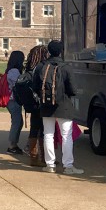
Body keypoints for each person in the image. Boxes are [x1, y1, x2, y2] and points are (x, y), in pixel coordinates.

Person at [34, 40, 83, 175]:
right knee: (66, 135)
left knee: (48, 134)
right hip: (64, 105)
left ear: (49, 51)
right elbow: (72, 90)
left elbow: (35, 86)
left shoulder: (41, 66)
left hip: (46, 105)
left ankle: (50, 165)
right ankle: (68, 166)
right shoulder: (66, 67)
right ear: (61, 51)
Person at [23, 44, 49, 167]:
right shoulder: (41, 68)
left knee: (34, 129)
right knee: (43, 130)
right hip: (40, 102)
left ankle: (34, 157)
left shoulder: (29, 67)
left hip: (32, 103)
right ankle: (44, 158)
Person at [4, 50, 26, 154]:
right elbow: (18, 84)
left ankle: (14, 144)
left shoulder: (11, 70)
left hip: (12, 100)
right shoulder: (14, 71)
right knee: (17, 122)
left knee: (18, 122)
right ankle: (11, 145)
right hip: (12, 100)